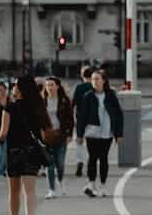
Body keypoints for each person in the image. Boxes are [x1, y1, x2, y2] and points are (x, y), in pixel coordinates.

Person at [0, 74, 45, 215]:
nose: (13, 89)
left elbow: (3, 134)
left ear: (19, 89)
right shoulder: (38, 106)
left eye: (15, 86)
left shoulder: (10, 107)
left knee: (14, 191)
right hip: (32, 151)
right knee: (30, 190)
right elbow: (43, 131)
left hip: (14, 152)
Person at [79, 67, 124, 195]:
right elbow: (82, 116)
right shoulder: (88, 96)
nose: (95, 81)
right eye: (93, 79)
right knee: (92, 158)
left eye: (97, 79)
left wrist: (119, 134)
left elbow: (118, 114)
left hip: (107, 131)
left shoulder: (110, 95)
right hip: (92, 131)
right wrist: (80, 134)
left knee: (103, 158)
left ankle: (103, 186)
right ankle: (91, 184)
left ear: (104, 81)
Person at [39, 75, 74, 199]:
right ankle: (51, 189)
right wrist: (40, 133)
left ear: (57, 86)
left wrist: (70, 134)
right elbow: (37, 119)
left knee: (60, 163)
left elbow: (70, 119)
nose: (49, 87)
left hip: (61, 135)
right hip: (46, 136)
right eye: (47, 85)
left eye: (52, 85)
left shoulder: (64, 100)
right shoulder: (42, 100)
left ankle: (60, 179)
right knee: (49, 164)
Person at [71, 64, 95, 176]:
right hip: (93, 118)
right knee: (92, 142)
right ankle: (91, 162)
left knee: (79, 141)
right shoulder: (95, 87)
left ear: (82, 75)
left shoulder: (79, 88)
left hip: (81, 117)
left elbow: (73, 103)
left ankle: (80, 162)